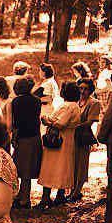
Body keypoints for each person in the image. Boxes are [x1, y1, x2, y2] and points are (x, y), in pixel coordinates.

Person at [36, 80, 82, 209]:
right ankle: (59, 195)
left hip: (58, 140)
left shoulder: (68, 106)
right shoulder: (74, 106)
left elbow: (61, 123)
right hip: (67, 140)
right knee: (64, 167)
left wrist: (46, 121)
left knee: (51, 167)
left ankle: (46, 197)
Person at [9, 76, 42, 209]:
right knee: (26, 169)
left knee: (22, 170)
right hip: (35, 136)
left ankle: (24, 199)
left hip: (23, 138)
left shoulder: (16, 102)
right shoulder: (37, 100)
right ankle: (23, 195)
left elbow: (16, 122)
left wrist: (14, 138)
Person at [70, 78, 101, 203]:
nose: (82, 91)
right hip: (71, 136)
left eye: (86, 89)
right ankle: (71, 190)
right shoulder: (75, 101)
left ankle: (77, 191)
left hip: (83, 136)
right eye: (80, 88)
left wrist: (74, 126)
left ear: (91, 90)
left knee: (81, 164)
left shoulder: (94, 103)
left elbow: (90, 121)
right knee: (72, 163)